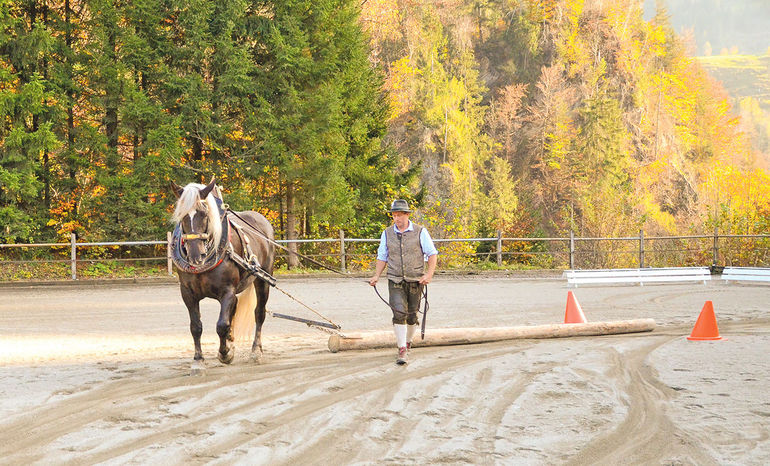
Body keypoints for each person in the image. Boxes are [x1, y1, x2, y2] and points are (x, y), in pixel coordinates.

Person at [369, 199, 438, 365]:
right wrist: (377, 275)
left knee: (412, 315)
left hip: (415, 279)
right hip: (395, 279)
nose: (397, 218)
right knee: (399, 312)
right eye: (394, 215)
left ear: (407, 215)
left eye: (400, 215)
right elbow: (382, 256)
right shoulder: (386, 233)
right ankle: (401, 348)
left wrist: (429, 274)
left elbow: (432, 254)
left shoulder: (420, 231)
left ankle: (408, 341)